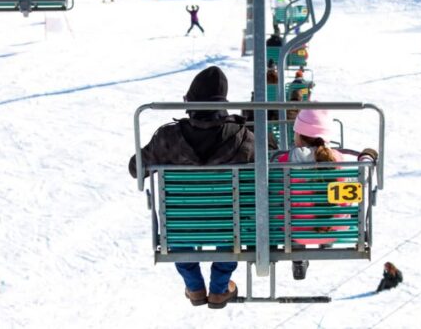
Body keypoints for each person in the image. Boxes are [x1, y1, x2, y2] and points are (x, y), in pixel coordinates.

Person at [129, 66, 254, 309]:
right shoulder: (243, 138)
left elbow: (137, 169)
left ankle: (194, 286)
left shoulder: (168, 138)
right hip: (229, 226)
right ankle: (219, 288)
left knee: (179, 221)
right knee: (233, 217)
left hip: (182, 227)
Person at [276, 109, 348, 280]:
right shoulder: (339, 159)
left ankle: (298, 255)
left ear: (299, 134)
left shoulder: (284, 161)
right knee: (337, 208)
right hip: (334, 228)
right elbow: (345, 200)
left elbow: (278, 196)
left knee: (287, 211)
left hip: (295, 231)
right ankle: (326, 237)